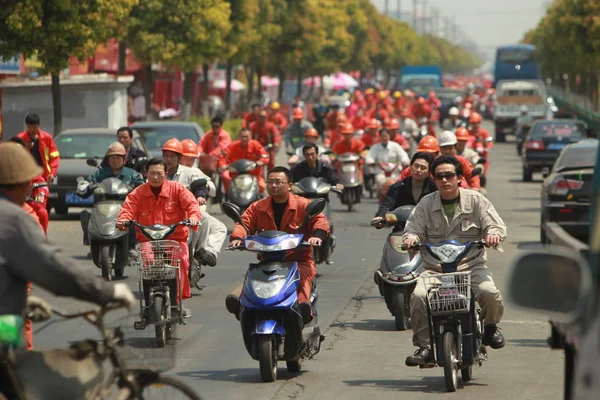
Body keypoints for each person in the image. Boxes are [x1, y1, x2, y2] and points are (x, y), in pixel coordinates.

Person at [0, 143, 136, 396]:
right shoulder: (12, 218)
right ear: (21, 183)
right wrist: (107, 292)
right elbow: (54, 268)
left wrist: (21, 300)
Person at [402, 155, 507, 366]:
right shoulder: (425, 204)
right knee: (418, 297)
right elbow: (412, 228)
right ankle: (425, 347)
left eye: (449, 175)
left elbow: (495, 225)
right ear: (434, 179)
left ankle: (489, 328)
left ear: (459, 178)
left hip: (470, 266)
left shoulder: (476, 200)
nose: (444, 180)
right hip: (435, 269)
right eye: (439, 176)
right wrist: (411, 238)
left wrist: (493, 235)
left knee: (489, 293)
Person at [225, 166, 329, 323]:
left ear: (289, 185)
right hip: (267, 260)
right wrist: (237, 238)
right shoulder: (257, 207)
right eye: (270, 182)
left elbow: (319, 220)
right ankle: (241, 305)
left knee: (301, 283)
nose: (274, 186)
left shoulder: (303, 205)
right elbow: (244, 224)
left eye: (279, 182)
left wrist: (317, 235)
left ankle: (302, 309)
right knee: (252, 280)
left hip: (298, 260)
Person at [116, 158, 200, 317]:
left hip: (175, 239)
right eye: (152, 173)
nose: (155, 177)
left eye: (159, 173)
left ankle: (177, 301)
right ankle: (148, 303)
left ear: (166, 174)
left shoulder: (178, 189)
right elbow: (127, 210)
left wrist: (194, 217)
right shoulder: (137, 193)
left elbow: (192, 205)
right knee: (146, 263)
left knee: (181, 261)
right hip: (148, 240)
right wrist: (123, 221)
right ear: (146, 174)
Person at [161, 138, 226, 267]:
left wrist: (201, 193)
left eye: (172, 156)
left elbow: (204, 186)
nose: (189, 161)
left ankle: (201, 252)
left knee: (208, 221)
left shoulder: (192, 172)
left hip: (187, 213)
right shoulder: (158, 171)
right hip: (163, 212)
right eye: (167, 156)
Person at [77, 142, 145, 257]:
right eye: (112, 157)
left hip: (124, 208)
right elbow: (86, 183)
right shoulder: (100, 173)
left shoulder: (132, 174)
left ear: (124, 159)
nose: (115, 160)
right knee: (86, 214)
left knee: (134, 218)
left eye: (118, 157)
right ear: (108, 160)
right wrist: (86, 186)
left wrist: (139, 185)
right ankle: (92, 242)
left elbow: (142, 185)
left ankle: (131, 246)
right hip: (101, 208)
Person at [372, 152, 437, 226]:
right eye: (416, 166)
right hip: (401, 229)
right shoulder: (397, 187)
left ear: (429, 171)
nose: (418, 170)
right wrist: (381, 216)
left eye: (423, 168)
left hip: (427, 230)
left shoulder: (434, 189)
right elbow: (387, 204)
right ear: (410, 167)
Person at [8, 137, 50, 234]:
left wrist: (41, 194)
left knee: (42, 213)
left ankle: (41, 242)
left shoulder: (29, 167)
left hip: (25, 203)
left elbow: (41, 183)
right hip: (5, 204)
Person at [219, 128, 270, 194]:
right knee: (227, 187)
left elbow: (264, 155)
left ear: (250, 136)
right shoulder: (232, 146)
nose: (244, 139)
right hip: (235, 176)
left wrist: (261, 162)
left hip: (254, 176)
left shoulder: (255, 145)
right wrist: (222, 165)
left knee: (262, 187)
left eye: (246, 137)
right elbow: (223, 156)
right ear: (239, 137)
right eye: (242, 136)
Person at [16, 114, 60, 184]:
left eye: (34, 127)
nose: (32, 130)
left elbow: (54, 157)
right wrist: (25, 148)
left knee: (42, 194)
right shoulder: (21, 138)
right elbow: (16, 158)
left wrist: (52, 173)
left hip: (43, 176)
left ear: (39, 125)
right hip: (26, 177)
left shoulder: (47, 138)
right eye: (29, 127)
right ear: (26, 126)